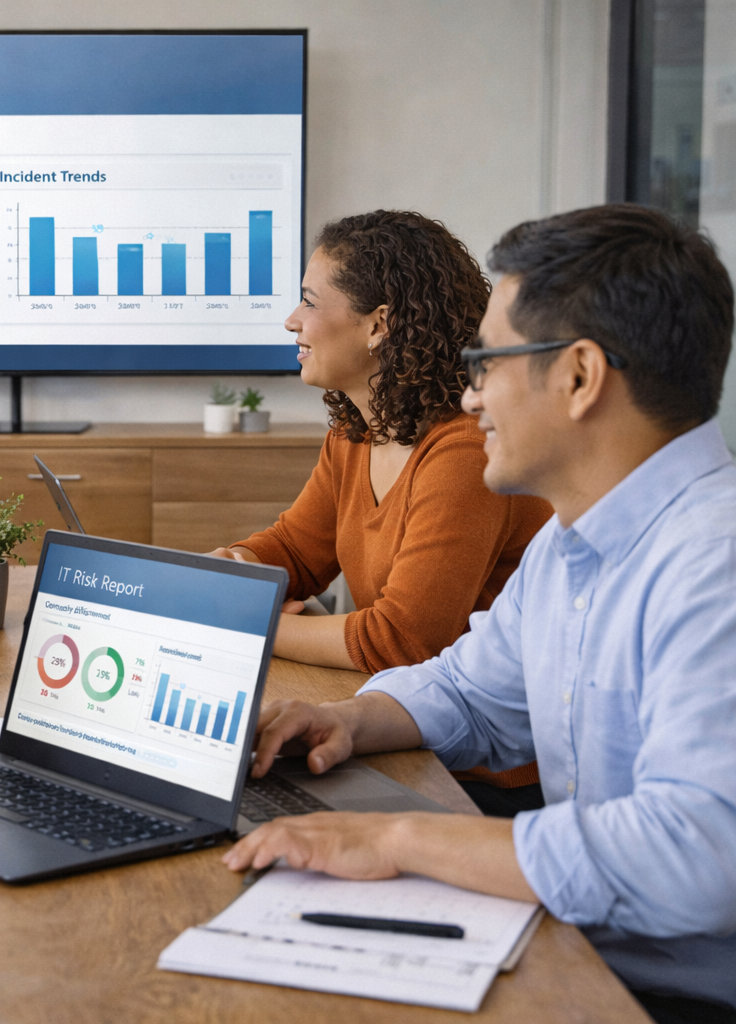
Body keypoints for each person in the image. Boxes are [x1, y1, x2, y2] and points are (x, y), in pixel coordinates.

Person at [224, 204, 736, 1023]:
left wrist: (396, 840)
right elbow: (471, 691)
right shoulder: (570, 543)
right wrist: (347, 720)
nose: (469, 395)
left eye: (489, 362)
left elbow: (697, 857)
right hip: (581, 943)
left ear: (579, 377)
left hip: (668, 993)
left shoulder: (715, 565)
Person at [211, 211, 553, 815]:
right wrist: (235, 568)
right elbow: (296, 552)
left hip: (480, 774)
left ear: (379, 324)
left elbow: (401, 641)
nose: (291, 320)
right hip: (399, 728)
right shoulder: (356, 431)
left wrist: (249, 616)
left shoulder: (466, 451)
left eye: (309, 301)